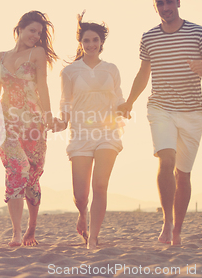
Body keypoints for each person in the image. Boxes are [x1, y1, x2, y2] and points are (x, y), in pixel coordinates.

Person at [117, 0, 202, 246]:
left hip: (192, 113)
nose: (165, 7)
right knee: (165, 161)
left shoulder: (200, 33)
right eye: (160, 4)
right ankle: (166, 222)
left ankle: (177, 229)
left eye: (169, 1)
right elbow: (143, 74)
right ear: (155, 7)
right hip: (160, 108)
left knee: (183, 174)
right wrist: (129, 102)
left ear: (178, 1)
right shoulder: (149, 38)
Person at [55, 13, 124, 249]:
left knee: (100, 186)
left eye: (95, 40)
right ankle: (82, 213)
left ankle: (93, 238)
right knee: (80, 194)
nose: (91, 44)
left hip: (107, 133)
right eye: (87, 40)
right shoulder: (70, 72)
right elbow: (65, 102)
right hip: (81, 134)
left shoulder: (111, 69)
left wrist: (124, 110)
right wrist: (62, 122)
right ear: (81, 43)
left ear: (101, 43)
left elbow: (119, 98)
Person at [0, 11, 57, 247]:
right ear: (19, 29)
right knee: (17, 168)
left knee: (32, 175)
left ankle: (31, 228)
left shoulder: (37, 53)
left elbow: (43, 86)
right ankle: (16, 232)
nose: (36, 36)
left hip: (33, 121)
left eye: (39, 33)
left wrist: (48, 116)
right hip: (6, 120)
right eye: (32, 30)